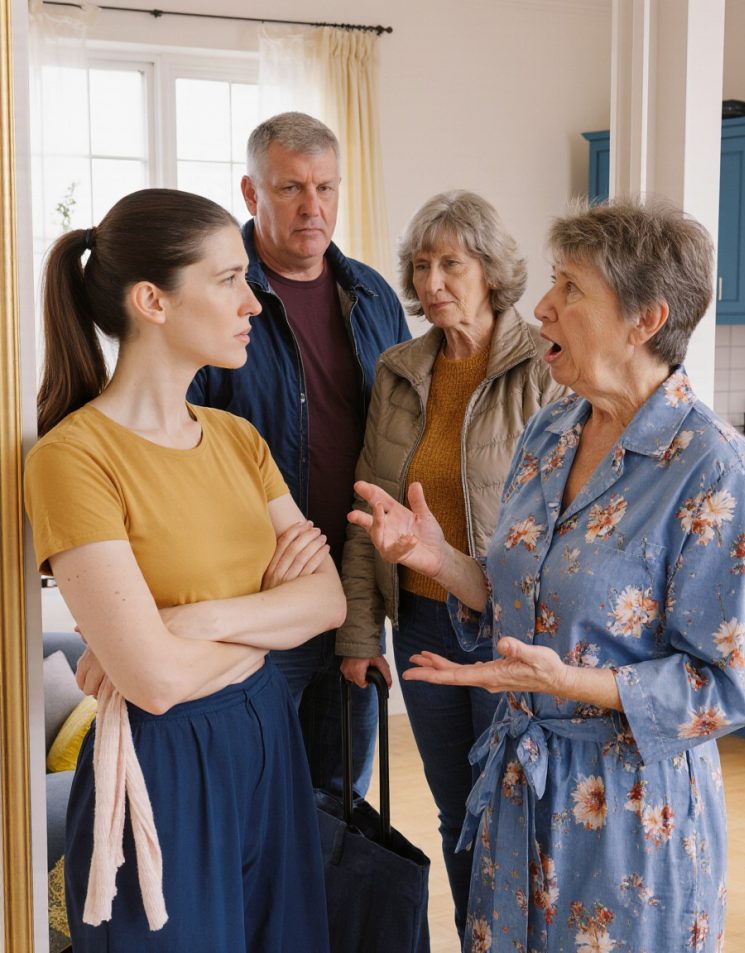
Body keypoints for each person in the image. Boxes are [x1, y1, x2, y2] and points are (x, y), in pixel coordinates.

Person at [349, 198, 745, 953]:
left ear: (644, 318)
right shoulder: (550, 429)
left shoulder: (716, 469)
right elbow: (521, 594)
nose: (542, 307)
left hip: (629, 817)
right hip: (520, 792)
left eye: (570, 289)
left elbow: (724, 687)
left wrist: (570, 683)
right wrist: (435, 558)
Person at [24, 188, 346, 952]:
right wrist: (269, 610)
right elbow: (155, 683)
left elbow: (328, 598)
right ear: (152, 302)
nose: (254, 305)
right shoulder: (72, 458)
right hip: (164, 761)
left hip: (268, 733)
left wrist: (193, 621)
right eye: (228, 279)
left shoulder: (239, 438)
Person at [337, 190, 566, 936]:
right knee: (455, 809)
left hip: (511, 626)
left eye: (451, 264)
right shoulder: (399, 369)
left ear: (492, 273)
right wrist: (359, 632)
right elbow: (373, 510)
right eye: (422, 264)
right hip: (425, 624)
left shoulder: (543, 366)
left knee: (519, 808)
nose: (432, 281)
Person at [188, 111, 410, 798]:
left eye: (326, 187)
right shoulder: (219, 296)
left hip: (350, 599)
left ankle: (327, 915)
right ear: (251, 194)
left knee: (343, 805)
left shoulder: (372, 296)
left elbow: (402, 440)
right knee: (254, 800)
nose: (313, 207)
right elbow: (181, 445)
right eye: (291, 188)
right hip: (256, 595)